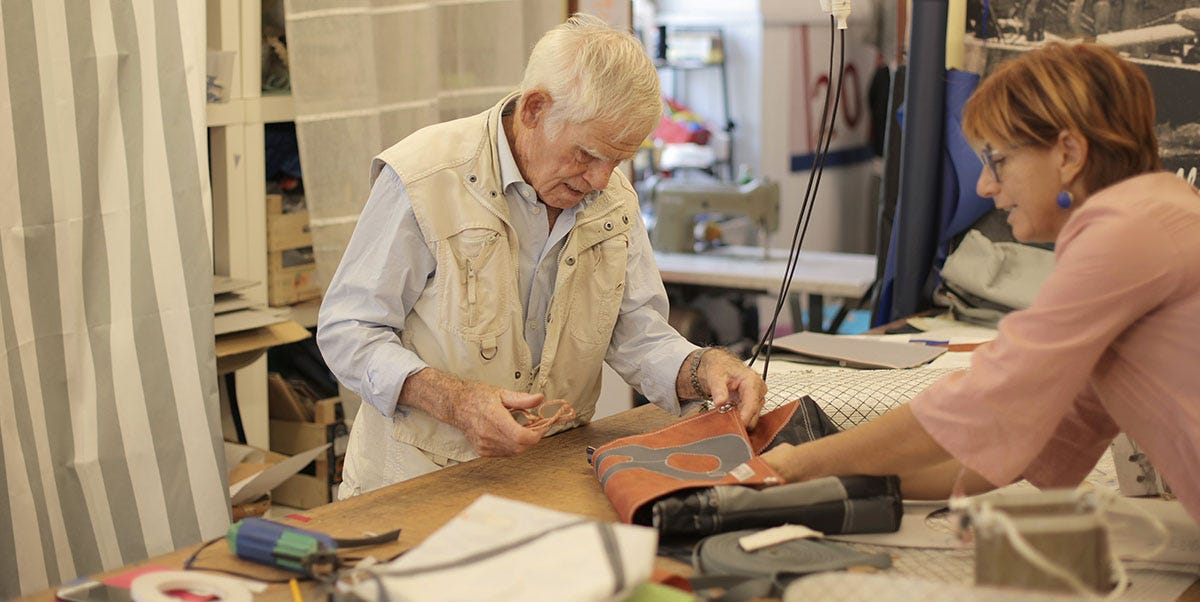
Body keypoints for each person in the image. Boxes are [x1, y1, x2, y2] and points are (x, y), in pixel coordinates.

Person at [318, 14, 766, 498]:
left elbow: (636, 332)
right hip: (415, 482)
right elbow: (349, 329)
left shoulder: (611, 197)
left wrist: (703, 369)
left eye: (617, 160)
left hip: (550, 473)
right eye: (587, 154)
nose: (600, 179)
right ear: (533, 109)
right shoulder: (426, 177)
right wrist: (455, 402)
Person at [762, 42, 1200, 522]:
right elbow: (1010, 458)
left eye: (998, 161)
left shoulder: (1126, 230)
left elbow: (987, 399)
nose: (984, 187)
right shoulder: (1151, 218)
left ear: (1069, 153)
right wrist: (816, 481)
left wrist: (801, 461)